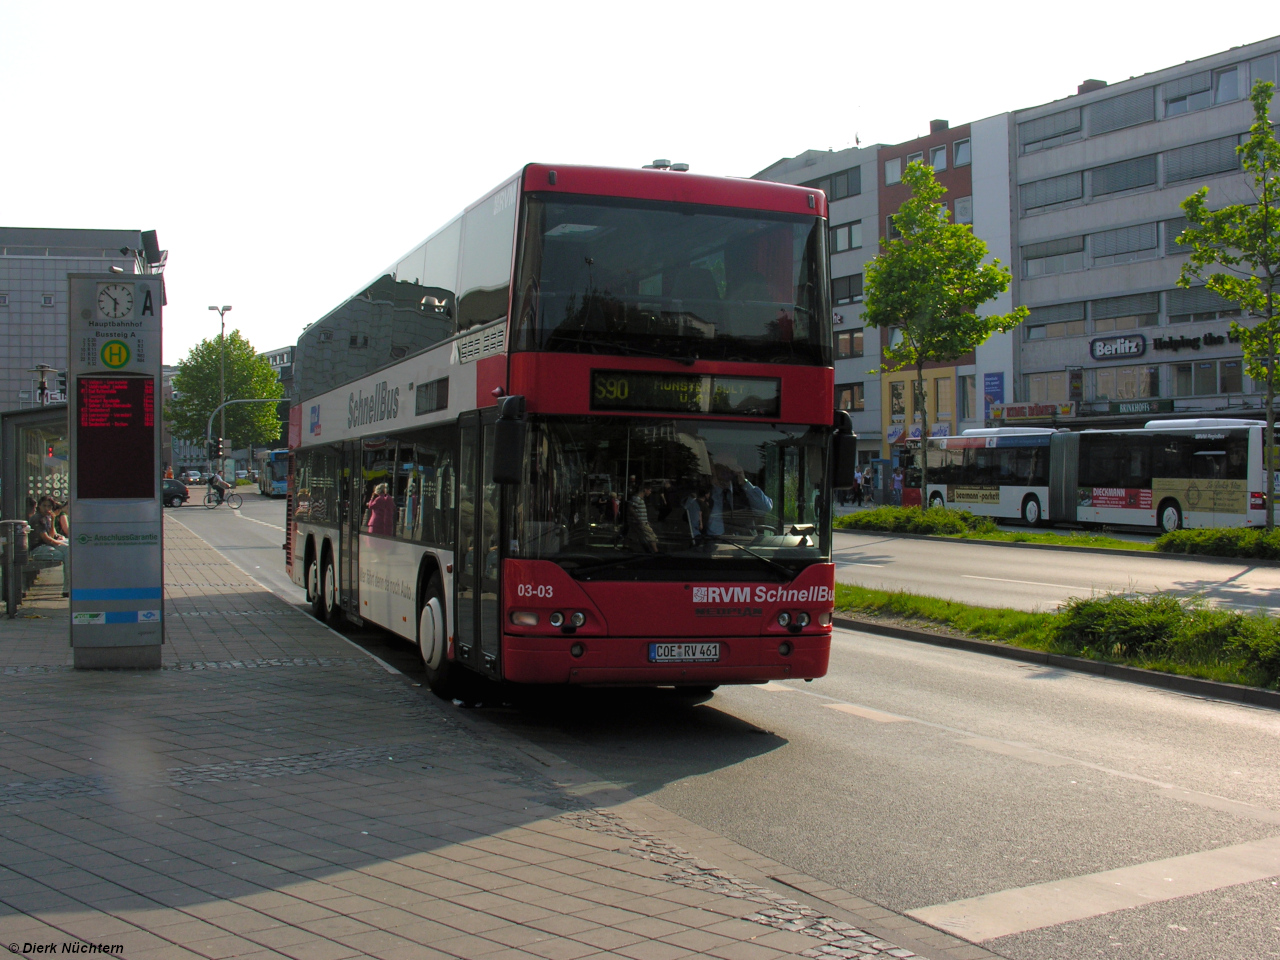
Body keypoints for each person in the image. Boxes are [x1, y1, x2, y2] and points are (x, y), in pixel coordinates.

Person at [706, 463, 773, 536]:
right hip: (713, 542)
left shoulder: (744, 492)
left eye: (727, 472)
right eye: (720, 473)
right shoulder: (706, 494)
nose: (723, 477)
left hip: (743, 542)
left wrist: (744, 482)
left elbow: (765, 507)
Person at [29, 496, 70, 596]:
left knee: (69, 549)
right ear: (39, 506)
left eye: (49, 506)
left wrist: (52, 521)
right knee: (68, 554)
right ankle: (67, 588)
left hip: (46, 546)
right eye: (44, 506)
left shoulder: (47, 517)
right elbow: (46, 539)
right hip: (38, 549)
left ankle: (68, 587)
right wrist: (61, 543)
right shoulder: (37, 518)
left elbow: (52, 535)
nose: (47, 509)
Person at [628, 481, 659, 552]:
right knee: (650, 535)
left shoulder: (639, 499)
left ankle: (647, 550)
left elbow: (638, 511)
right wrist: (639, 519)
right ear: (645, 490)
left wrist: (645, 520)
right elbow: (631, 508)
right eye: (649, 490)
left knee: (640, 536)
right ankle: (655, 551)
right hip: (640, 522)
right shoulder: (637, 498)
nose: (650, 492)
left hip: (639, 521)